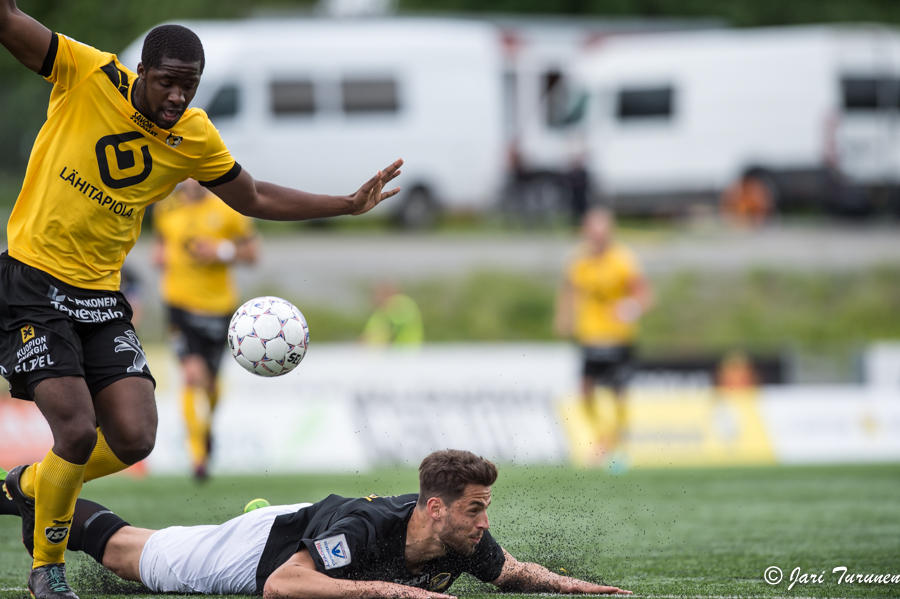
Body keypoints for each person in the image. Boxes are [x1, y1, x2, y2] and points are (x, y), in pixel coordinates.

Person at [0, 4, 402, 598]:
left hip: (100, 295)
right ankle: (47, 570)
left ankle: (30, 484)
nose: (177, 96)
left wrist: (344, 204)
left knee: (135, 437)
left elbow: (255, 195)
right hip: (31, 283)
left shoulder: (194, 136)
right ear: (141, 70)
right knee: (78, 432)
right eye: (167, 81)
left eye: (190, 85)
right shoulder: (86, 73)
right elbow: (8, 21)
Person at [1, 451, 632, 598]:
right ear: (434, 506)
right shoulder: (368, 525)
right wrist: (384, 591)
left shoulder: (463, 540)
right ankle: (24, 488)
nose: (485, 521)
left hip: (304, 527)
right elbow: (281, 586)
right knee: (124, 555)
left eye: (486, 507)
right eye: (475, 508)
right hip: (261, 552)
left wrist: (581, 588)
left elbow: (514, 573)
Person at [152, 178, 259, 480]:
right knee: (191, 375)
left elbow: (253, 254)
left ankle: (207, 429)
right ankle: (197, 456)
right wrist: (159, 253)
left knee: (211, 385)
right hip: (179, 306)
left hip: (219, 308)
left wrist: (222, 251)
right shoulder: (165, 206)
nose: (190, 180)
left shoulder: (227, 209)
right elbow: (161, 242)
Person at [554, 208, 653, 465]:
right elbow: (569, 289)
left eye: (601, 232)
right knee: (585, 391)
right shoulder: (578, 260)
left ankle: (616, 443)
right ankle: (602, 438)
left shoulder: (624, 260)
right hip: (591, 336)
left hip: (618, 337)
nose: (596, 238)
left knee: (619, 392)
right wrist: (564, 317)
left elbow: (645, 295)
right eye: (592, 232)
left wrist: (630, 308)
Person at [361, 282, 424, 347]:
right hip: (396, 353)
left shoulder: (398, 304)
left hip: (401, 353)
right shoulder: (381, 312)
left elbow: (387, 330)